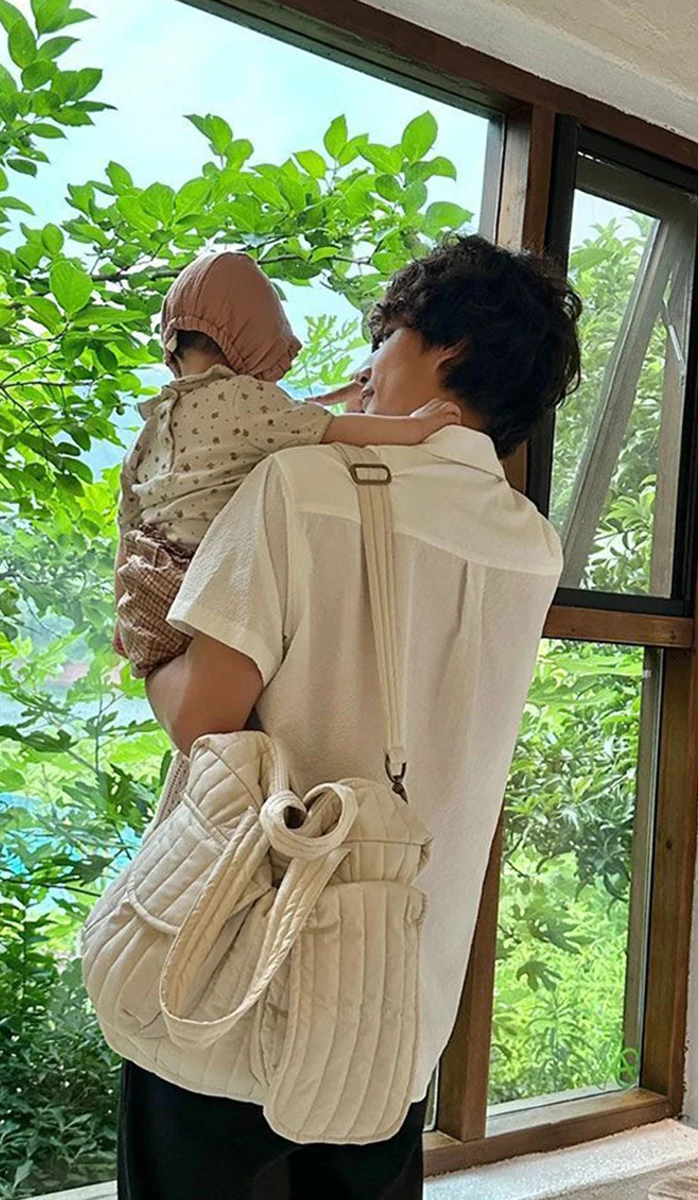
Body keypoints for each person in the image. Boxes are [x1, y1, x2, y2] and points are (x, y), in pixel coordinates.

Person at [118, 235, 582, 1199]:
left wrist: (145, 642)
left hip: (235, 975)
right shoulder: (533, 546)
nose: (368, 367)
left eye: (388, 339)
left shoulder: (299, 487)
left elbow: (202, 722)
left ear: (448, 350)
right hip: (396, 998)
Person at [114, 249, 460, 678]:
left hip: (149, 591)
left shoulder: (150, 428)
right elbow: (333, 429)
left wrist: (123, 622)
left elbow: (127, 530)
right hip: (200, 584)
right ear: (256, 340)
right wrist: (415, 426)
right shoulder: (244, 398)